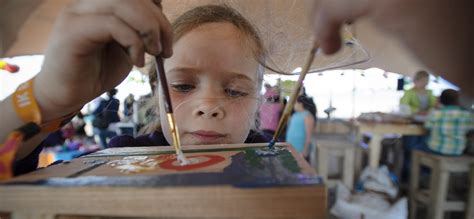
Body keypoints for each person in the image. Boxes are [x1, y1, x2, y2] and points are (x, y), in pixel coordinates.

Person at [424, 89, 474, 155]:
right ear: (458, 100)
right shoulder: (467, 115)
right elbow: (471, 129)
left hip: (436, 149)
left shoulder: (436, 113)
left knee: (416, 144)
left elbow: (427, 126)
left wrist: (434, 107)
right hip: (458, 151)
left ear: (440, 100)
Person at [286, 96, 316, 161]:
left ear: (300, 104)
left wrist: (305, 150)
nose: (293, 105)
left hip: (300, 149)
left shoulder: (308, 116)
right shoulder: (295, 115)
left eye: (295, 103)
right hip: (291, 147)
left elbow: (309, 135)